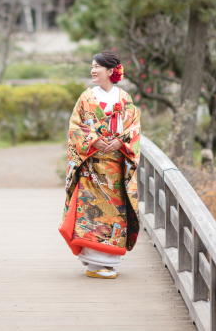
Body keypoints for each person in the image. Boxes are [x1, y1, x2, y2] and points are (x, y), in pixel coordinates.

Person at [58, 50, 141, 279]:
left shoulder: (124, 98)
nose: (93, 70)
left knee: (114, 214)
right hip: (92, 167)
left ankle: (109, 261)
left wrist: (119, 142)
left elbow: (134, 128)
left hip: (115, 168)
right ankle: (95, 263)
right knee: (93, 214)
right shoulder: (86, 98)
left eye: (97, 67)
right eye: (92, 66)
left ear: (110, 71)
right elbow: (76, 127)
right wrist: (95, 141)